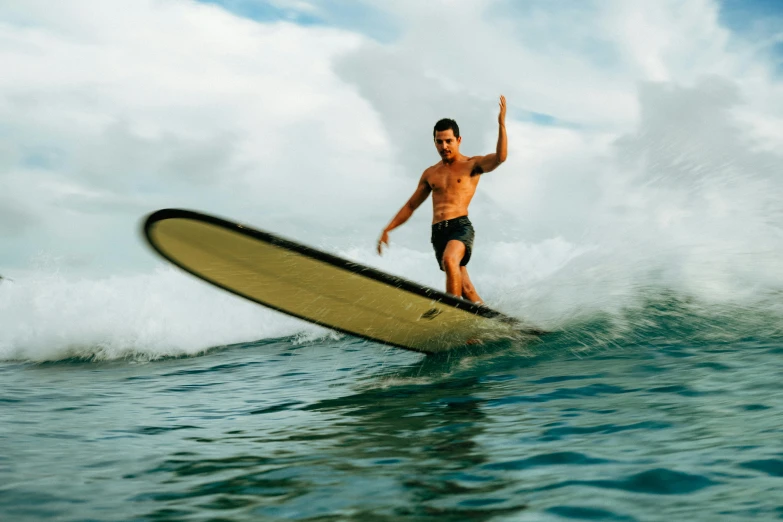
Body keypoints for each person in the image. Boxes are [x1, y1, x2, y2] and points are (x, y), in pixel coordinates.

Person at [377, 95, 508, 304]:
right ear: (434, 142)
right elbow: (411, 206)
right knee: (466, 288)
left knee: (450, 259)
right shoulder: (430, 173)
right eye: (439, 141)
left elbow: (500, 158)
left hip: (460, 227)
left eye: (448, 141)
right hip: (438, 233)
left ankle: (451, 315)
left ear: (458, 140)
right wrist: (388, 228)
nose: (444, 146)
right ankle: (488, 326)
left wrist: (501, 124)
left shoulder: (472, 165)